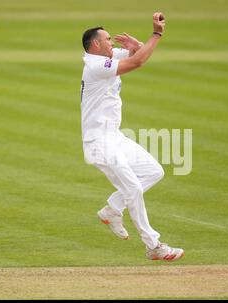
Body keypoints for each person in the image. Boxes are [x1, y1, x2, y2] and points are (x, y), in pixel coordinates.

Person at [80, 13, 184, 261]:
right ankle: (154, 246)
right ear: (96, 44)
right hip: (98, 141)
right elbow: (136, 64)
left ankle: (112, 209)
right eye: (107, 39)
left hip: (113, 137)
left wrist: (136, 45)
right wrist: (156, 34)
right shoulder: (96, 65)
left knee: (153, 171)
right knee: (134, 188)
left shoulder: (108, 56)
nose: (112, 43)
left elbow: (139, 57)